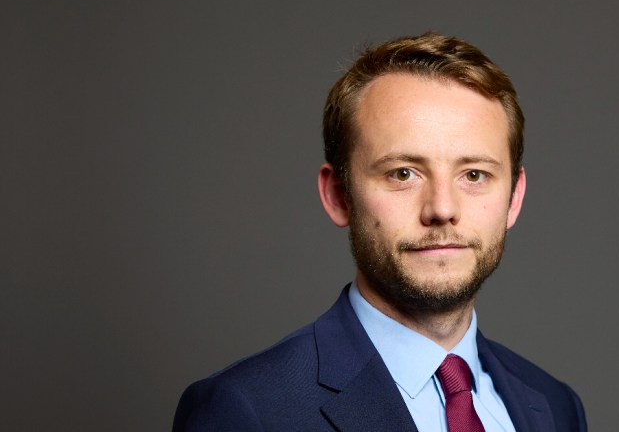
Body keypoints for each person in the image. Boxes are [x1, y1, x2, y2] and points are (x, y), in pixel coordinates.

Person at [173, 32, 587, 431]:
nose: (442, 209)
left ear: (514, 198)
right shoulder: (248, 411)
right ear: (338, 195)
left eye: (474, 174)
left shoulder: (554, 406)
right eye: (403, 173)